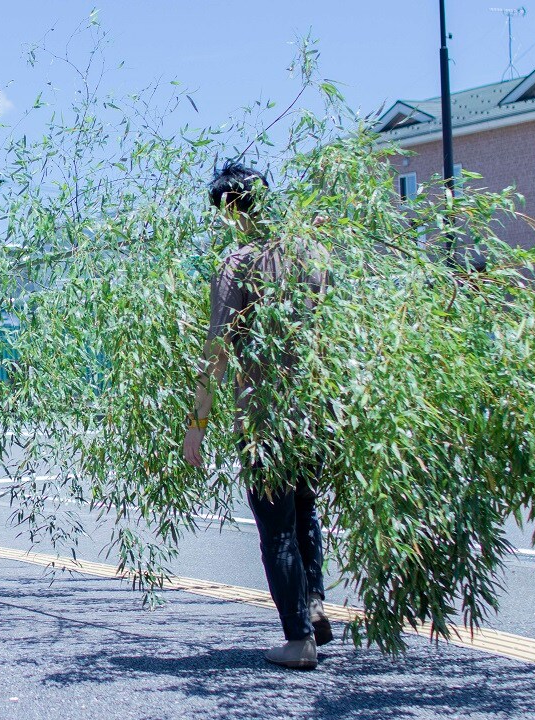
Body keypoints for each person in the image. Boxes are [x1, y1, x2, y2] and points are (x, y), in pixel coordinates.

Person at [183, 163, 332, 670]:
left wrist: (195, 429)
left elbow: (216, 354)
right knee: (305, 510)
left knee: (277, 527)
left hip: (264, 423)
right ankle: (312, 603)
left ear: (231, 211)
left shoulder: (238, 265)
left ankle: (298, 640)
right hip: (311, 413)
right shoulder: (311, 255)